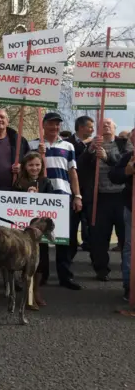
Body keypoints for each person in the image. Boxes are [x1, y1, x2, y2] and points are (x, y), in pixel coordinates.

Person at [31, 112, 83, 290]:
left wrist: (77, 196)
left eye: (57, 124)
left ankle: (65, 276)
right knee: (40, 239)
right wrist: (38, 153)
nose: (54, 127)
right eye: (51, 124)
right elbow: (26, 168)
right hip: (40, 196)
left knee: (63, 239)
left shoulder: (68, 146)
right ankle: (41, 275)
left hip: (62, 195)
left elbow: (72, 172)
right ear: (43, 125)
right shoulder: (32, 144)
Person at [77, 118, 124, 280]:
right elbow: (80, 167)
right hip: (99, 197)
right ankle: (101, 269)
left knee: (125, 236)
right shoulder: (92, 144)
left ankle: (127, 272)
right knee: (98, 237)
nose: (105, 126)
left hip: (121, 197)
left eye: (108, 123)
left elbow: (126, 164)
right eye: (102, 124)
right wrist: (90, 150)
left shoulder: (124, 144)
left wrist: (107, 157)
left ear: (114, 128)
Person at [13, 151, 55, 310]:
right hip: (23, 233)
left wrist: (39, 196)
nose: (34, 168)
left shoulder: (46, 182)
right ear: (25, 166)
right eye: (31, 165)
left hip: (39, 233)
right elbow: (13, 203)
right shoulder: (18, 183)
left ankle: (36, 291)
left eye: (37, 165)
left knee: (40, 262)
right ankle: (24, 292)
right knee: (23, 261)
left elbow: (52, 202)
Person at [108, 130, 135, 302]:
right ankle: (129, 286)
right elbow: (114, 176)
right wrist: (127, 171)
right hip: (131, 208)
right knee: (130, 247)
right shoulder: (128, 157)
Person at [66, 115, 95, 252]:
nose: (93, 129)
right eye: (90, 126)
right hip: (71, 191)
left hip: (91, 191)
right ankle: (68, 257)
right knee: (70, 227)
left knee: (91, 226)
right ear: (81, 127)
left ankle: (95, 259)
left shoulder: (96, 144)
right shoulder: (67, 144)